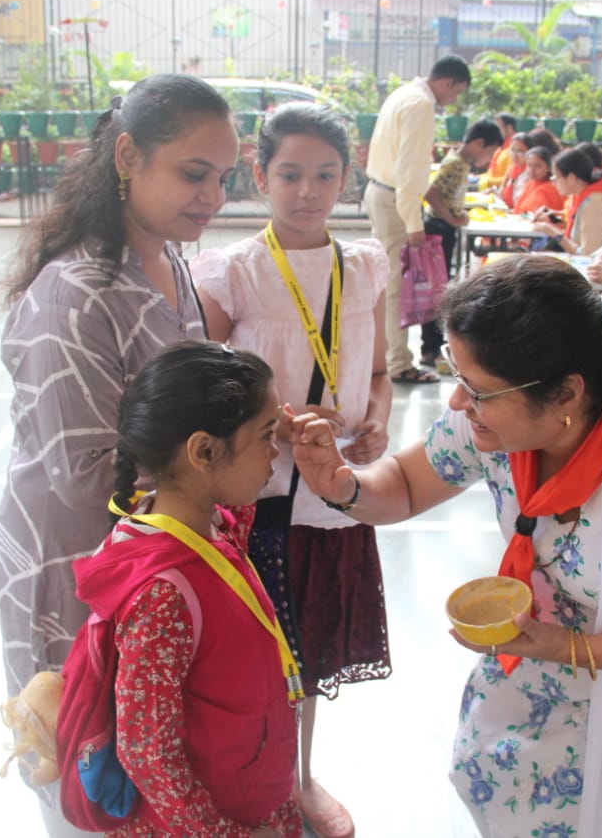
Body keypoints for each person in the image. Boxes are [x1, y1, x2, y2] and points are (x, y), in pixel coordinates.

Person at [289, 257, 602, 837]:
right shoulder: (500, 422)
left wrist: (570, 647)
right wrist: (343, 486)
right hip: (535, 665)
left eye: (477, 391)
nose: (456, 403)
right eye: (457, 377)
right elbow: (404, 483)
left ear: (567, 392)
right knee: (490, 783)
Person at [0, 74, 239, 836]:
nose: (212, 197)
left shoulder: (172, 267)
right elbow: (91, 472)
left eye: (223, 178)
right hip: (77, 565)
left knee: (149, 755)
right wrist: (226, 461)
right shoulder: (76, 293)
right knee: (87, 770)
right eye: (193, 173)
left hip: (152, 561)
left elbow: (184, 412)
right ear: (128, 155)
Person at [191, 103, 394, 838]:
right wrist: (265, 421)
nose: (308, 191)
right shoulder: (233, 271)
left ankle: (297, 778)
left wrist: (377, 420)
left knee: (304, 655)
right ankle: (243, 781)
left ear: (349, 175)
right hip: (259, 496)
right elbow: (201, 386)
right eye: (290, 174)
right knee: (247, 655)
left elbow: (377, 372)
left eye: (326, 175)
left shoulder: (366, 264)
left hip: (333, 497)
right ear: (260, 174)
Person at [85, 340, 300, 838]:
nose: (277, 450)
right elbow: (146, 751)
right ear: (203, 450)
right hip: (214, 822)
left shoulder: (208, 523)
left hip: (249, 790)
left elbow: (236, 501)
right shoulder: (164, 596)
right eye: (268, 436)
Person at [364, 54, 471, 385]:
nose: (454, 101)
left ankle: (386, 357)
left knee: (386, 283)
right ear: (447, 82)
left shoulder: (404, 94)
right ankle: (397, 363)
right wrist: (414, 225)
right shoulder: (421, 104)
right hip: (395, 199)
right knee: (395, 286)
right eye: (457, 92)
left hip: (381, 193)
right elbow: (410, 171)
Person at [421, 118, 504, 371]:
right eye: (489, 151)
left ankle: (432, 345)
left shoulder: (457, 160)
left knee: (440, 286)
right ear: (479, 143)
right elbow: (431, 194)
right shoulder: (456, 164)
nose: (488, 158)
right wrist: (453, 218)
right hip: (439, 229)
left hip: (442, 227)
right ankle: (431, 347)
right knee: (439, 288)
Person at [532, 143, 602, 256]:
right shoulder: (579, 197)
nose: (553, 183)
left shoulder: (593, 204)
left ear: (571, 178)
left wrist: (554, 232)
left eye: (555, 177)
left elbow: (587, 255)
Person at [511, 146, 564, 215]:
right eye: (529, 165)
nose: (532, 170)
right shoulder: (530, 184)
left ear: (549, 168)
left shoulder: (550, 188)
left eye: (538, 166)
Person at [476, 112, 517, 190]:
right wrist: (477, 178)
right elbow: (491, 173)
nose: (494, 132)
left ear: (509, 128)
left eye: (498, 128)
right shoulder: (500, 149)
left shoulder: (515, 150)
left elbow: (510, 179)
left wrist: (487, 181)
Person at [496, 132, 531, 209]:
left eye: (520, 152)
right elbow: (501, 193)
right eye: (512, 150)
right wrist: (494, 193)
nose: (514, 155)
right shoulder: (511, 169)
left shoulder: (531, 174)